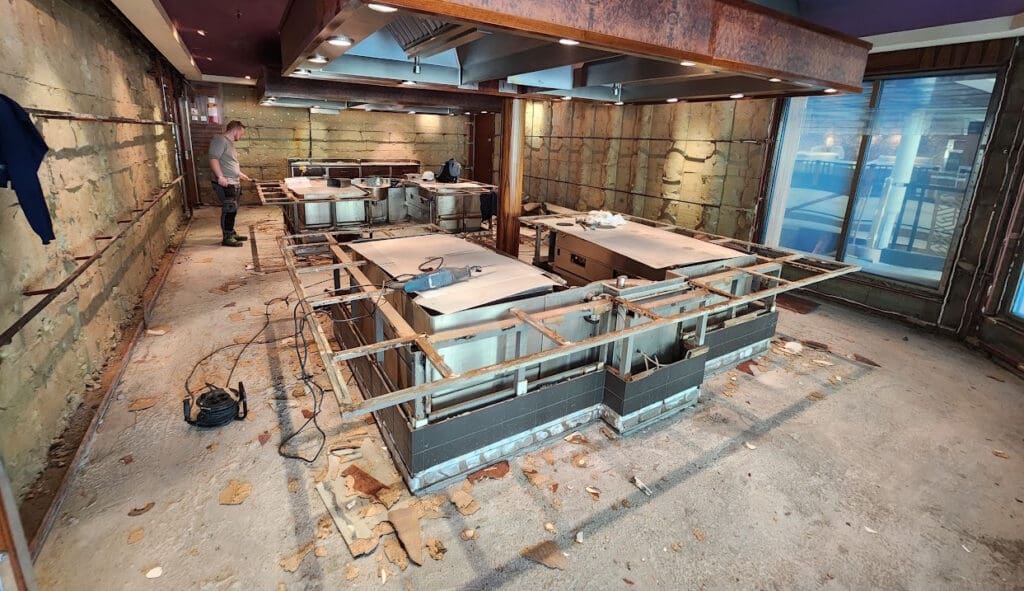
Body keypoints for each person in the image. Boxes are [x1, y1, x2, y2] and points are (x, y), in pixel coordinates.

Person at [208, 120, 251, 247]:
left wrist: (239, 174)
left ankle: (231, 232)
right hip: (226, 182)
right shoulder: (220, 140)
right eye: (241, 133)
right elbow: (213, 158)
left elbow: (229, 163)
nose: (241, 136)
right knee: (229, 209)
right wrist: (220, 176)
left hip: (233, 181)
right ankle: (227, 237)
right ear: (236, 129)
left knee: (233, 209)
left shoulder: (229, 143)